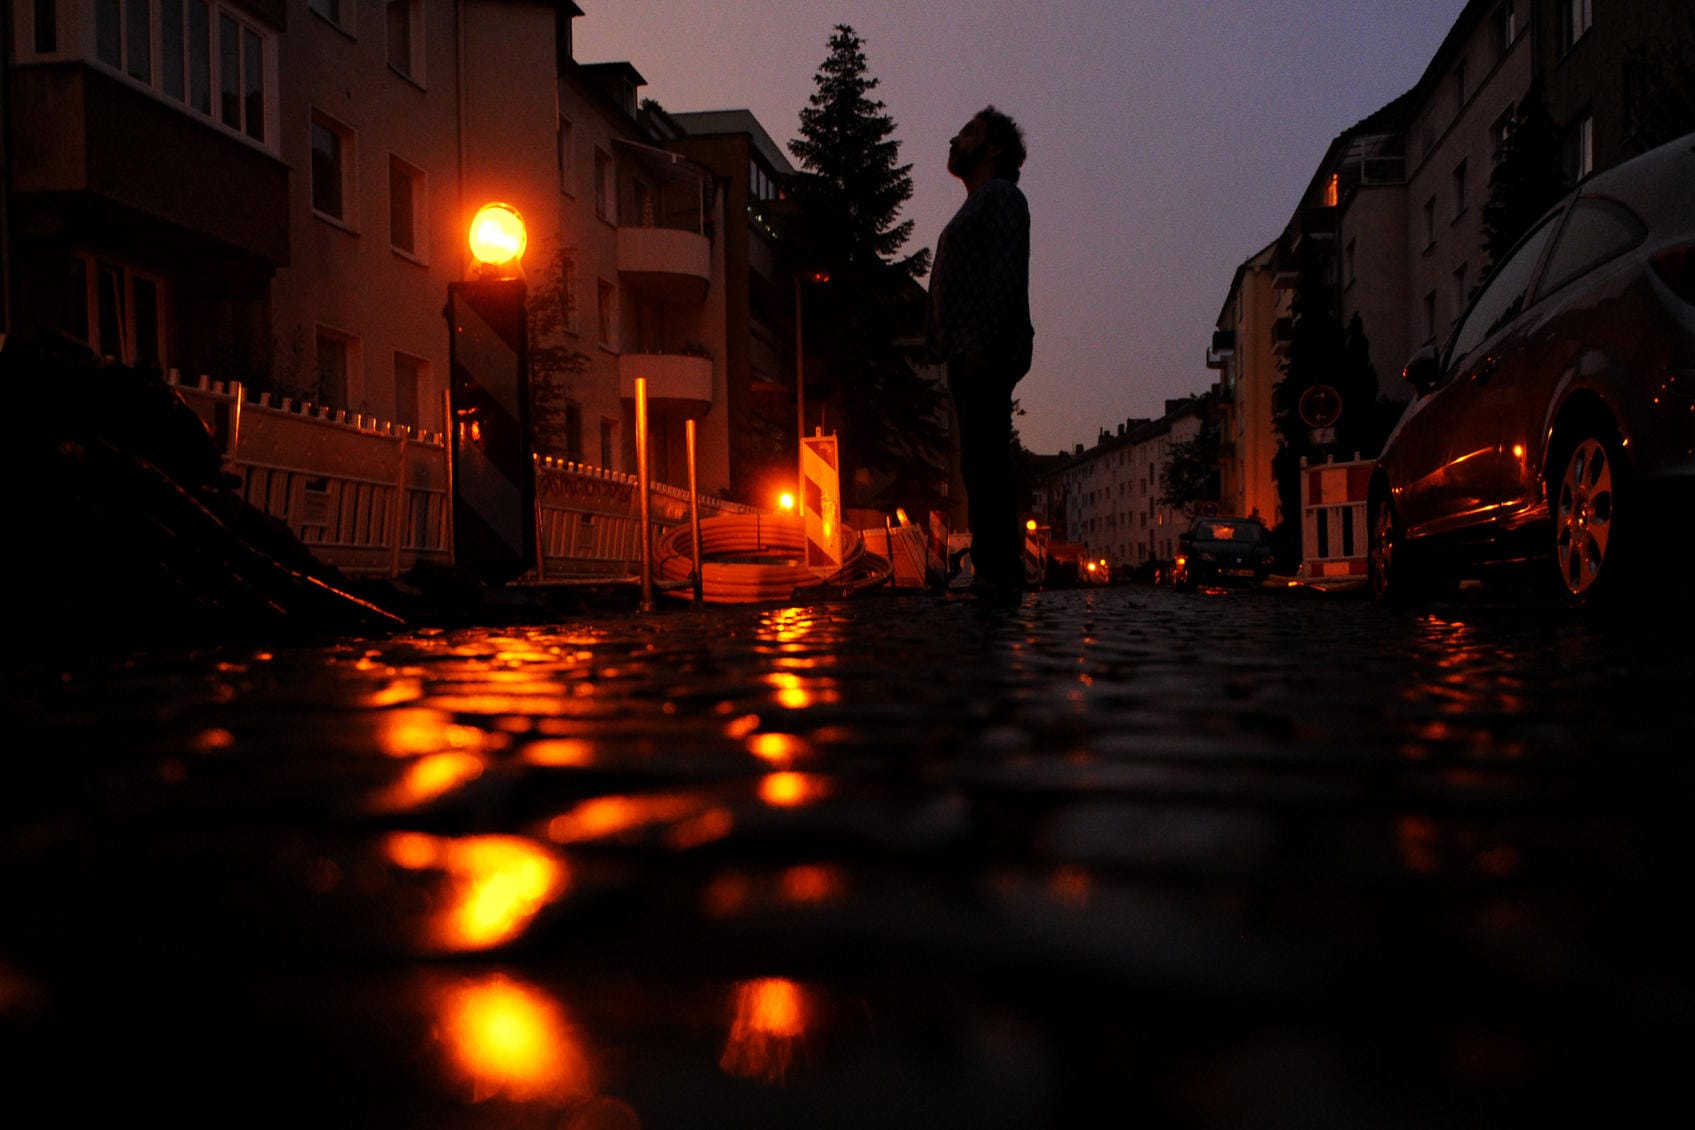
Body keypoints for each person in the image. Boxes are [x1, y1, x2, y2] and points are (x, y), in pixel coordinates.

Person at [928, 106, 1033, 597]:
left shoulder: (1002, 198)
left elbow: (1005, 275)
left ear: (993, 148)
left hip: (982, 348)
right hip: (968, 347)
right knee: (977, 457)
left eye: (968, 131)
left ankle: (998, 568)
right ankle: (996, 567)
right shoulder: (979, 203)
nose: (955, 138)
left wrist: (985, 345)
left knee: (986, 455)